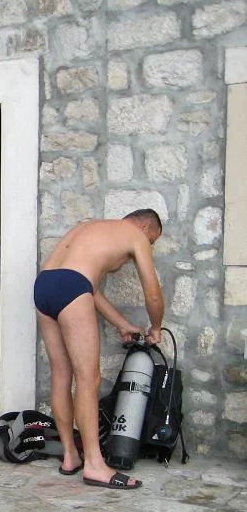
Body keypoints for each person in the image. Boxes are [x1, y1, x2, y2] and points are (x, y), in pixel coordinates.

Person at [34, 209, 164, 490]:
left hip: (44, 285)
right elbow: (152, 292)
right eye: (152, 240)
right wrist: (156, 327)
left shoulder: (89, 227)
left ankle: (70, 456)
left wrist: (121, 324)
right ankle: (94, 464)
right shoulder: (135, 235)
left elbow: (87, 287)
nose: (149, 245)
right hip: (71, 287)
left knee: (61, 374)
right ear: (145, 226)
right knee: (88, 379)